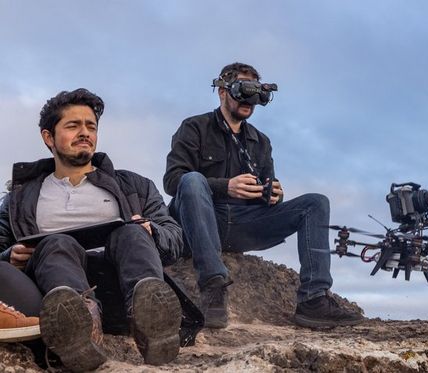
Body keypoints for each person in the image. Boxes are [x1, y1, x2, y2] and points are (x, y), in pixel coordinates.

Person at [165, 62, 364, 329]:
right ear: (222, 92)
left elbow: (267, 190)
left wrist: (273, 195)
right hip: (199, 222)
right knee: (191, 180)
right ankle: (213, 287)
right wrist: (225, 186)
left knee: (316, 202)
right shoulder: (194, 127)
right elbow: (172, 181)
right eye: (243, 90)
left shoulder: (261, 141)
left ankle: (313, 300)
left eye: (257, 93)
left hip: (243, 224)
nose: (250, 100)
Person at [0, 89, 184, 371]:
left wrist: (153, 232)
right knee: (57, 243)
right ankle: (81, 331)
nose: (85, 132)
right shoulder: (18, 199)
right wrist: (10, 256)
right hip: (56, 296)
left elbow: (175, 238)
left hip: (122, 290)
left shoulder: (134, 186)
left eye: (91, 126)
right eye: (73, 125)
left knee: (130, 232)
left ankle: (153, 325)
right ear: (48, 137)